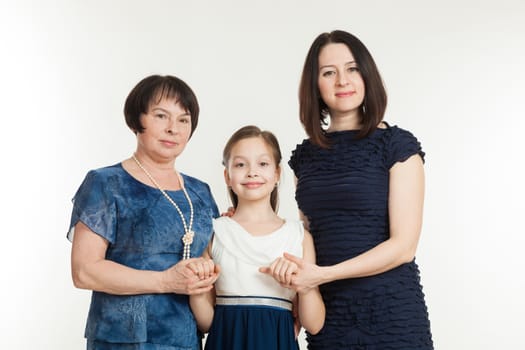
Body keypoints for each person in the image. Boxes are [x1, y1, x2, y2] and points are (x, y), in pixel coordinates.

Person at [281, 30, 434, 349]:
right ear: (315, 85)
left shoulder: (397, 146)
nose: (342, 81)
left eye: (352, 69)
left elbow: (404, 246)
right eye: (328, 72)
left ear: (367, 76)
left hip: (392, 313)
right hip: (329, 316)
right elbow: (307, 237)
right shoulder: (304, 158)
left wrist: (324, 275)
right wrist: (243, 220)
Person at [67, 74, 220, 350]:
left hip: (185, 340)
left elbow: (216, 268)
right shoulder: (106, 183)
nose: (173, 128)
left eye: (183, 120)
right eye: (161, 116)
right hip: (122, 341)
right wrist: (165, 281)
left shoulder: (201, 193)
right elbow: (84, 271)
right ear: (138, 120)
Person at [189, 125, 325, 350]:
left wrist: (303, 284)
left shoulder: (299, 236)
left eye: (263, 164)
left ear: (277, 174)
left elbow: (314, 324)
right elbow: (207, 323)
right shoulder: (216, 232)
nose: (252, 172)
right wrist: (197, 290)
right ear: (227, 176)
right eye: (241, 164)